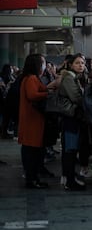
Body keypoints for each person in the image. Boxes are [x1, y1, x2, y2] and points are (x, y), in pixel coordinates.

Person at [18, 54, 49, 189]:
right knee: (32, 151)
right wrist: (48, 94)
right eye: (42, 62)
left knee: (32, 150)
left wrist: (48, 88)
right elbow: (32, 95)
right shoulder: (31, 79)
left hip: (32, 119)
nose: (44, 65)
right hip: (32, 120)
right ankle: (32, 179)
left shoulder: (31, 78)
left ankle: (34, 178)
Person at [58, 53, 87, 191]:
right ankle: (70, 181)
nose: (81, 65)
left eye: (82, 63)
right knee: (70, 148)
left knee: (70, 148)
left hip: (72, 117)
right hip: (71, 117)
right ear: (70, 65)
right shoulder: (69, 78)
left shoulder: (75, 77)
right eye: (77, 63)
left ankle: (67, 176)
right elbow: (77, 98)